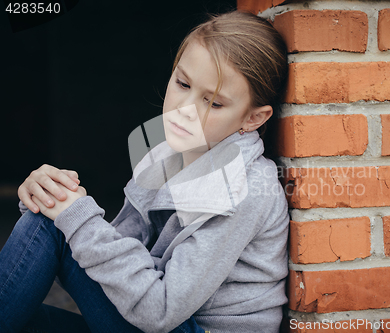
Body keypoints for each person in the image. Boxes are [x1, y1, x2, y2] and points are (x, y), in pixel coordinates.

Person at [0, 10, 289, 333]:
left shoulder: (246, 187)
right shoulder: (167, 153)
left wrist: (72, 217)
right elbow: (117, 255)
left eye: (214, 102)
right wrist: (51, 198)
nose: (184, 109)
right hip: (154, 316)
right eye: (182, 83)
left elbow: (159, 310)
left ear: (253, 118)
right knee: (24, 304)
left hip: (185, 324)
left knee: (57, 225)